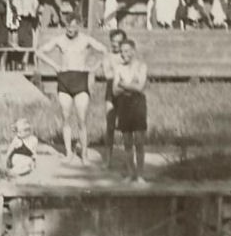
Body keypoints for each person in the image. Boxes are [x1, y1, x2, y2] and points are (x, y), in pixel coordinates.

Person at [35, 14, 106, 162]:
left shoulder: (85, 39)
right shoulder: (60, 40)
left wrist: (94, 67)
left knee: (81, 119)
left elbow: (104, 50)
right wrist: (55, 65)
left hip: (80, 78)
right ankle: (68, 153)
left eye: (73, 26)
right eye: (68, 26)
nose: (70, 29)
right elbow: (39, 51)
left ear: (79, 26)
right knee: (66, 117)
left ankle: (84, 154)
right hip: (64, 78)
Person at [111, 37, 149, 183]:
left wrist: (123, 84)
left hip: (138, 104)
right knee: (127, 141)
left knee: (139, 141)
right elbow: (114, 91)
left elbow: (140, 88)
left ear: (133, 51)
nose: (123, 54)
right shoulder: (118, 68)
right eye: (121, 51)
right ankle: (130, 173)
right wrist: (131, 85)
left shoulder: (141, 66)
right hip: (124, 104)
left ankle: (140, 174)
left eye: (126, 51)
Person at [100, 28, 128, 164]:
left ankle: (129, 159)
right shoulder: (107, 56)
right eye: (113, 41)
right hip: (111, 91)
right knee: (110, 126)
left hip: (125, 92)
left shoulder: (127, 55)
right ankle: (108, 159)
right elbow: (107, 74)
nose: (116, 44)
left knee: (127, 127)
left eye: (119, 41)